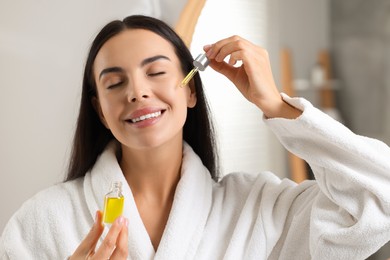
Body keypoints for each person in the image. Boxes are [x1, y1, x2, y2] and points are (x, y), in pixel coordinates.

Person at [1, 15, 390, 260]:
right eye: (116, 83)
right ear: (101, 110)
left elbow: (380, 196)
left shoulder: (257, 211)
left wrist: (276, 104)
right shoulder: (44, 220)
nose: (137, 92)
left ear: (190, 91)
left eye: (155, 73)